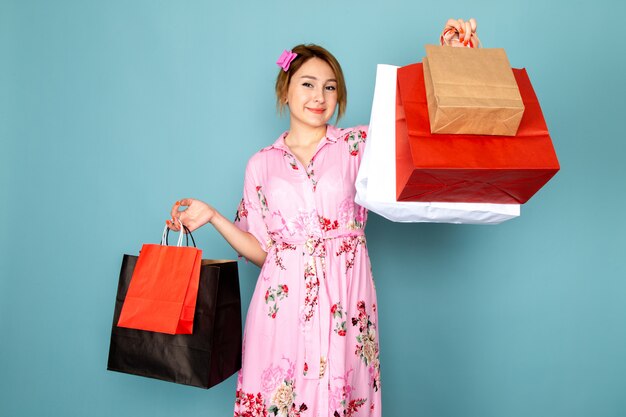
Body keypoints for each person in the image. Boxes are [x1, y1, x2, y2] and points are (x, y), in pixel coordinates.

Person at [167, 18, 477, 417]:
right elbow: (264, 252)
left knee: (342, 397)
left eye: (330, 87)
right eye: (308, 84)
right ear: (286, 89)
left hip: (346, 301)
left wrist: (450, 63)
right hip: (281, 308)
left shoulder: (357, 145)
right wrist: (211, 216)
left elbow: (421, 127)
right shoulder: (261, 164)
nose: (319, 96)